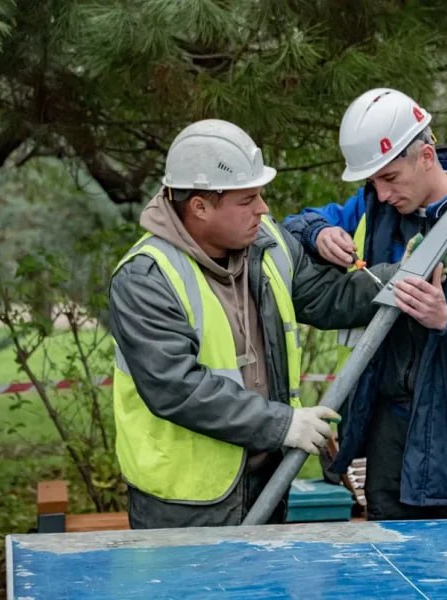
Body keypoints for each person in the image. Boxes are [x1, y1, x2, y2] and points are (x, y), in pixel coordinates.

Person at [109, 119, 396, 529]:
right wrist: (283, 424)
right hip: (185, 504)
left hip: (267, 483)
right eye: (247, 200)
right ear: (200, 207)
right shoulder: (147, 278)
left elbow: (329, 298)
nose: (263, 209)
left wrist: (400, 277)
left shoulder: (268, 246)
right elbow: (177, 388)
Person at [284, 88, 447, 520]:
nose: (382, 193)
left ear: (427, 155)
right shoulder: (373, 209)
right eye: (371, 181)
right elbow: (292, 226)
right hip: (388, 450)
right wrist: (318, 232)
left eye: (389, 178)